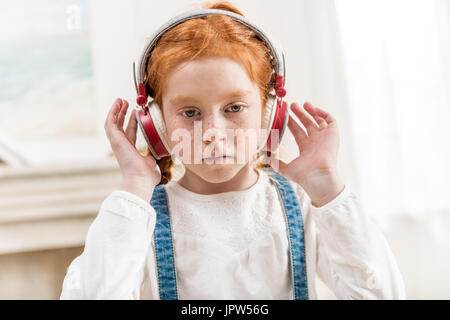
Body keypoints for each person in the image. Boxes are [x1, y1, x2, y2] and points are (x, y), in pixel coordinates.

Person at [60, 1, 406, 300]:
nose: (213, 133)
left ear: (271, 114)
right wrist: (135, 184)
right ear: (156, 123)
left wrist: (328, 190)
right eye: (190, 113)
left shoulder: (301, 208)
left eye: (234, 108)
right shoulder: (138, 220)